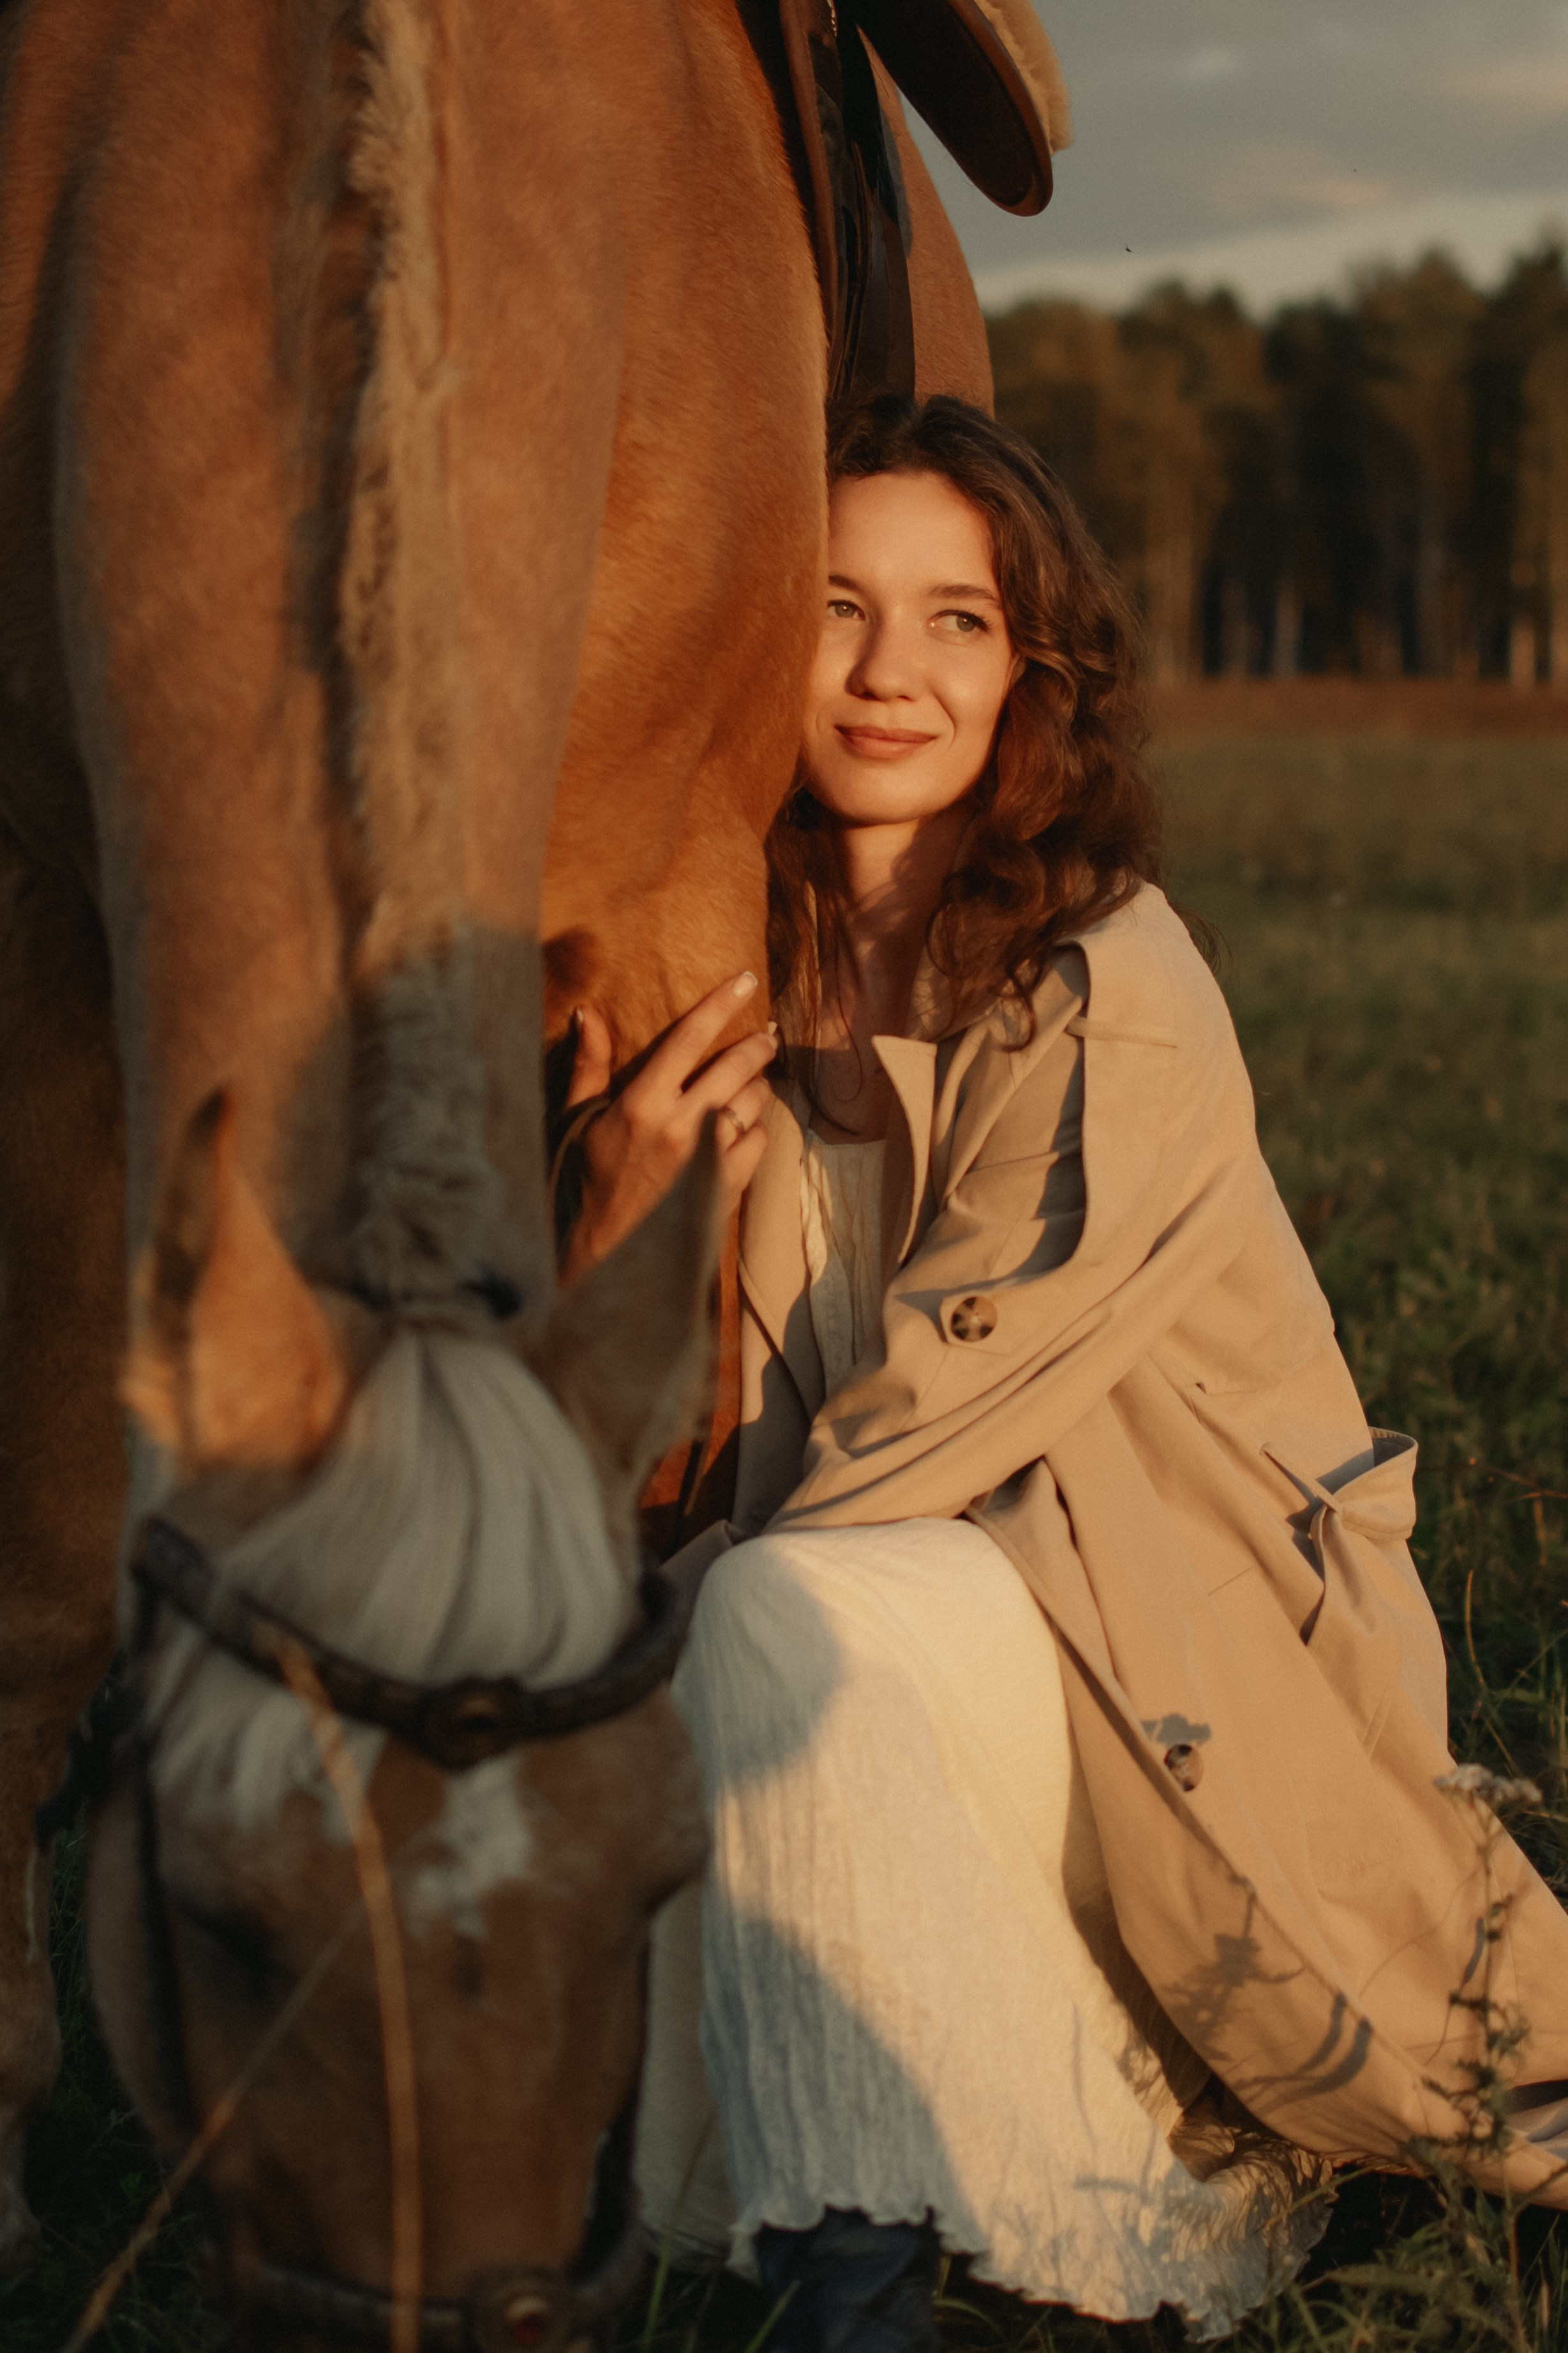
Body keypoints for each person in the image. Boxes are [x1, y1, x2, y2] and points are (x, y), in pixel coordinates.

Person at [560, 396, 1568, 2350]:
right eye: (835, 607)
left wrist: (628, 1647)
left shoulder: (1103, 982)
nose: (885, 674)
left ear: (1034, 672)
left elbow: (917, 1437)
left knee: (762, 1607)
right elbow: (605, 1438)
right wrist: (601, 1228)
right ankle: (871, 2190)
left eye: (956, 620)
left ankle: (860, 2277)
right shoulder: (719, 972)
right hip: (905, 1649)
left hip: (1152, 1645)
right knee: (759, 1621)